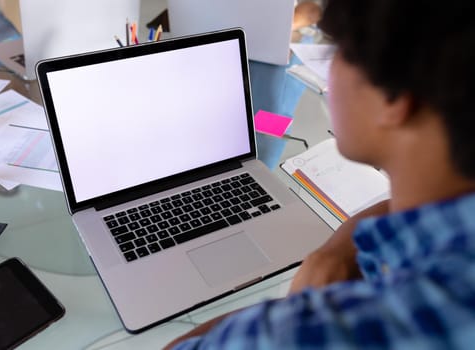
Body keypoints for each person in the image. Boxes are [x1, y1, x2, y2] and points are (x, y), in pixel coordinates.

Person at [165, 0, 475, 348]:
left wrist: (298, 307)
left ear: (395, 98)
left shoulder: (305, 332)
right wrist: (341, 250)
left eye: (336, 52)